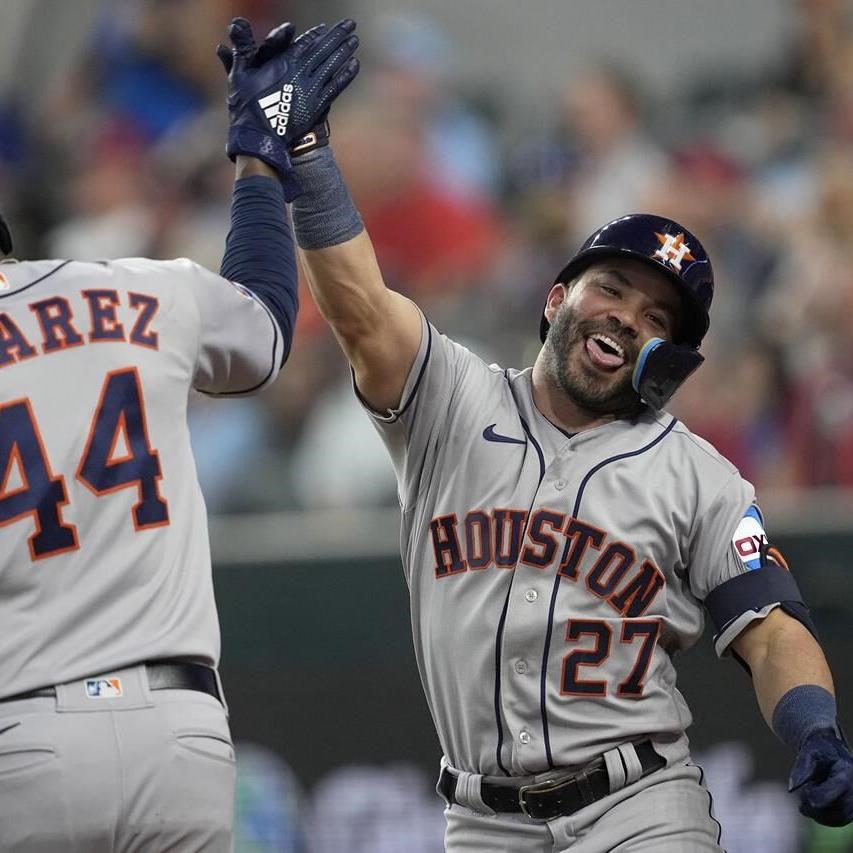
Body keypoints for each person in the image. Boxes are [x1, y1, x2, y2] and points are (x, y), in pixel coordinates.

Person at [275, 39, 853, 853]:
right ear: (557, 299)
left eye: (657, 318)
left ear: (673, 359)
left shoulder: (695, 475)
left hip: (637, 805)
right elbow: (362, 308)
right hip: (481, 820)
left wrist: (813, 728)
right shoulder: (451, 398)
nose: (627, 315)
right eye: (611, 288)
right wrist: (305, 155)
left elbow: (770, 624)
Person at [0, 18, 358, 852]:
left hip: (25, 736)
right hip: (181, 733)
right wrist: (258, 166)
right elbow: (268, 327)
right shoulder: (139, 288)